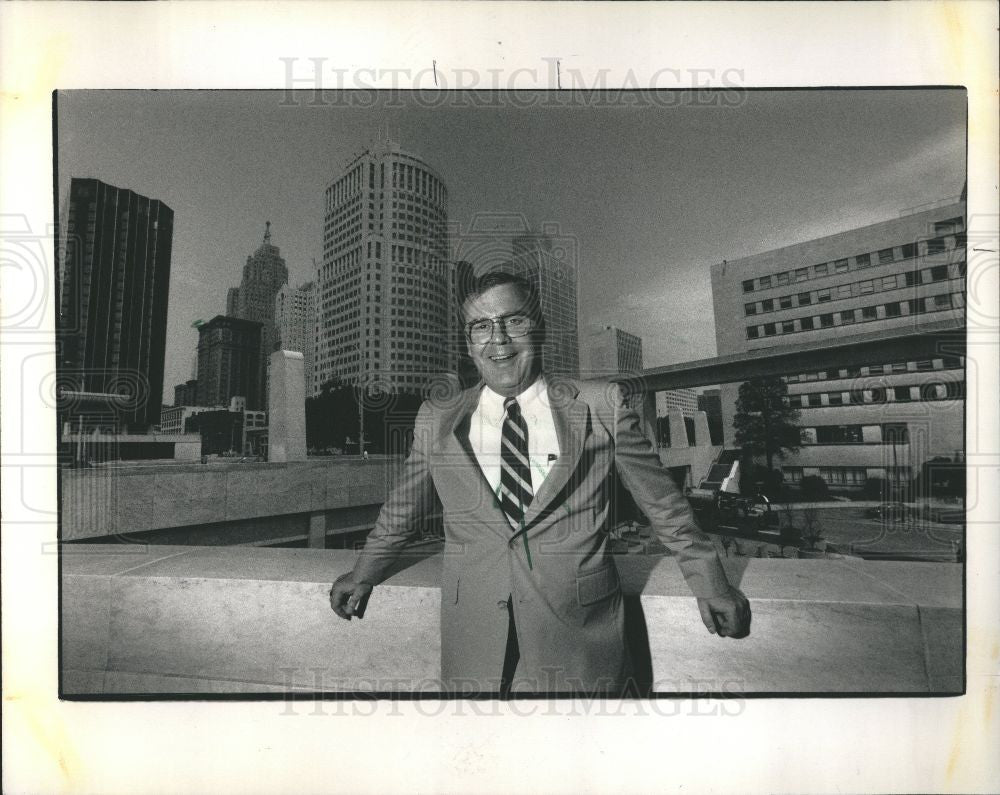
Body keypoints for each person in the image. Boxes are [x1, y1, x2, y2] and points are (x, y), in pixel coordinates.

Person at [330, 272, 750, 695]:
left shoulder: (601, 406)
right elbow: (403, 509)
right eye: (481, 326)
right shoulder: (436, 417)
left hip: (579, 642)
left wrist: (712, 584)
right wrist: (364, 573)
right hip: (474, 640)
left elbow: (664, 505)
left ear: (540, 328)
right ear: (468, 341)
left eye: (513, 321)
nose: (498, 341)